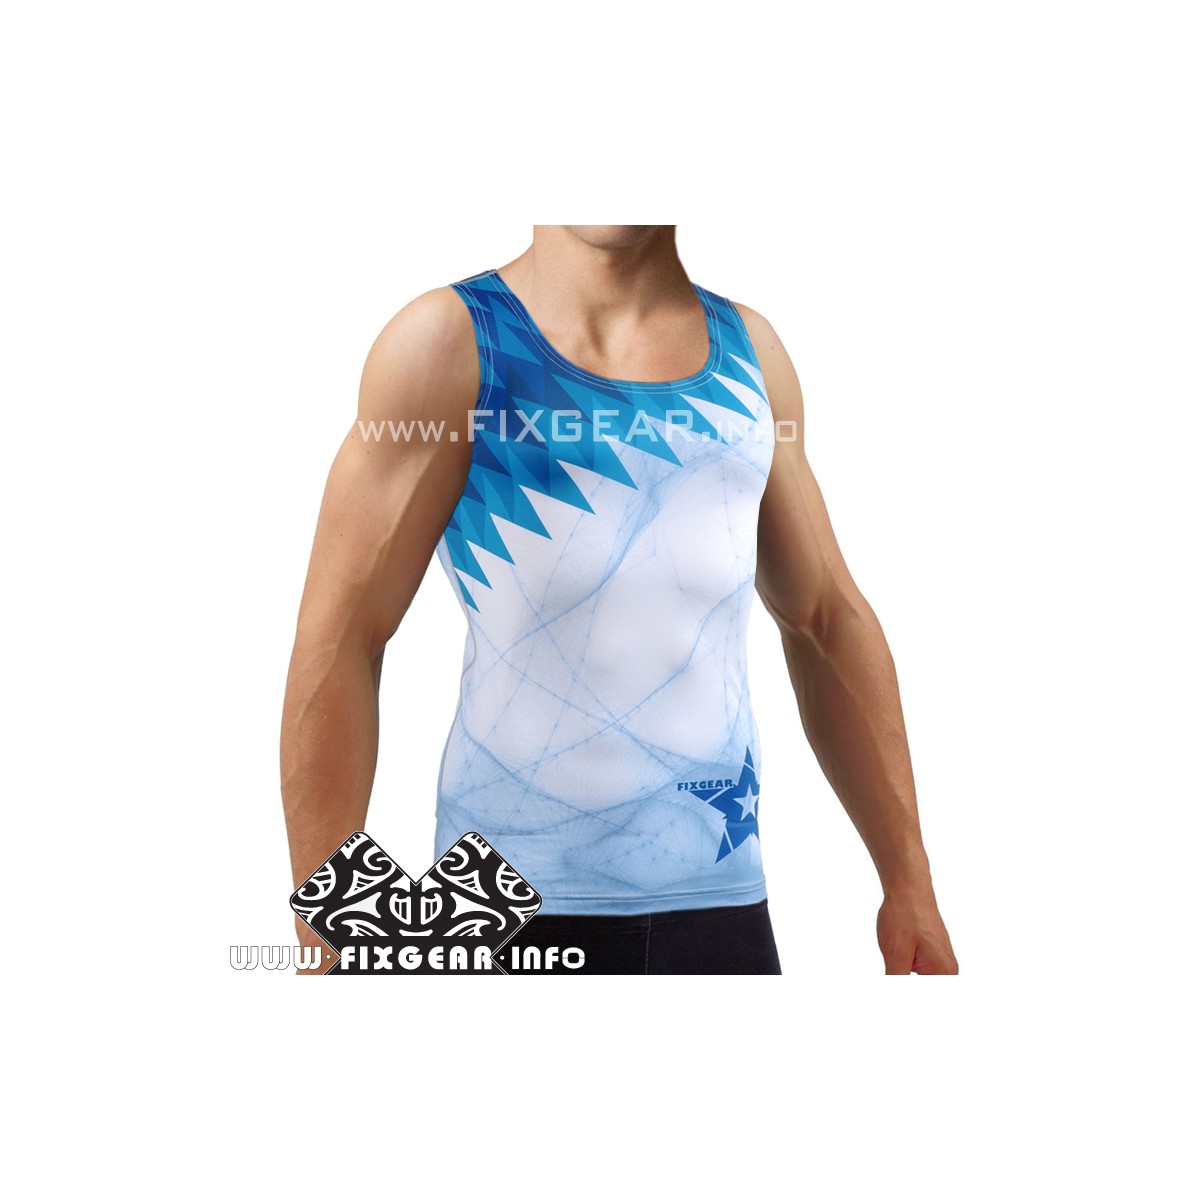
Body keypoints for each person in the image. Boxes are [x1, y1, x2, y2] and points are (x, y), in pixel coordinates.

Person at [281, 225, 958, 975]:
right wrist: (333, 935)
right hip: (491, 903)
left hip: (718, 892)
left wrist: (909, 880)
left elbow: (825, 620)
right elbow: (343, 634)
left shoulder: (751, 356)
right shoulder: (449, 342)